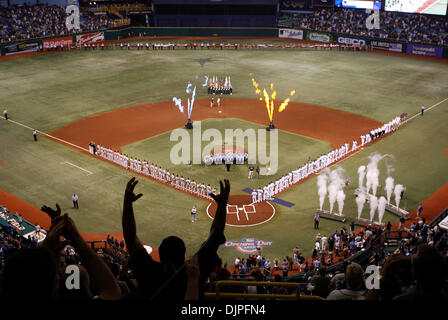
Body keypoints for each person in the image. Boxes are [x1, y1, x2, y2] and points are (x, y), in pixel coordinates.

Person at [121, 177, 230, 300]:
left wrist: (127, 203)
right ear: (183, 256)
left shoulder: (149, 273)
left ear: (161, 256)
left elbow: (130, 238)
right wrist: (222, 206)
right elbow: (214, 237)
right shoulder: (194, 273)